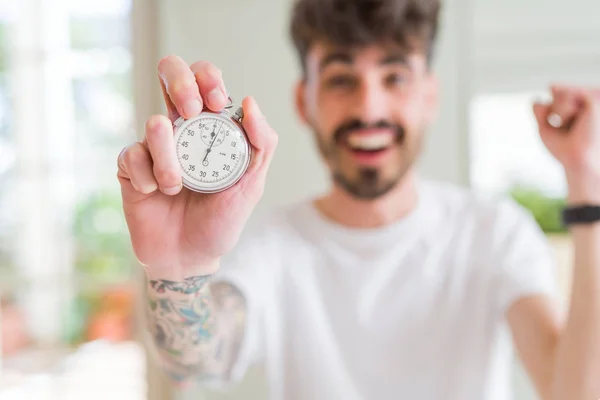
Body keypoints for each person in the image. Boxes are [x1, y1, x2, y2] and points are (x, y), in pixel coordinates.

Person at [117, 0, 600, 399]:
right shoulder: (272, 247)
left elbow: (574, 393)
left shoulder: (494, 233)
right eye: (342, 80)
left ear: (430, 96)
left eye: (394, 78)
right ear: (304, 101)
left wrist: (587, 185)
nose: (369, 108)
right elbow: (193, 362)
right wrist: (178, 269)